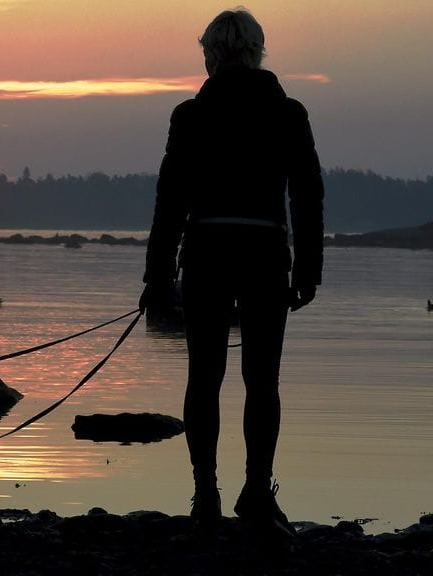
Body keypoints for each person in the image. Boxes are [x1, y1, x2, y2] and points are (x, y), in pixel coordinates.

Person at [140, 9, 324, 537]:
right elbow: (307, 194)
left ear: (211, 53)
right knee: (263, 379)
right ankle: (257, 491)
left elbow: (169, 200)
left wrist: (156, 275)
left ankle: (206, 494)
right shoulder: (288, 112)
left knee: (205, 376)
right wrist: (309, 268)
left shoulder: (190, 115)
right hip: (266, 252)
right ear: (257, 51)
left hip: (207, 252)